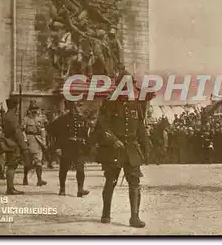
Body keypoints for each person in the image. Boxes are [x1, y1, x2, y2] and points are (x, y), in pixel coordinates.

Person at [94, 94, 149, 228]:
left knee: (135, 181)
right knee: (111, 180)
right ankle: (106, 213)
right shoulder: (109, 104)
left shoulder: (136, 106)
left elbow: (141, 128)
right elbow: (102, 126)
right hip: (114, 149)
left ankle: (134, 217)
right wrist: (112, 140)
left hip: (131, 149)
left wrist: (146, 149)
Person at [52, 102, 90, 197]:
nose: (77, 108)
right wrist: (58, 147)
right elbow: (57, 135)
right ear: (71, 107)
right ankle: (62, 189)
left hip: (78, 147)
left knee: (80, 169)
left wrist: (86, 146)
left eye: (78, 106)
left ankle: (80, 189)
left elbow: (86, 134)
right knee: (64, 169)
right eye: (75, 106)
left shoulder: (82, 119)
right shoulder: (63, 119)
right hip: (67, 147)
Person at [2, 98, 30, 195]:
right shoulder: (12, 117)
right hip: (14, 144)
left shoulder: (6, 115)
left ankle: (10, 187)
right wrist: (24, 147)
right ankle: (10, 188)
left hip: (8, 142)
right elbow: (17, 133)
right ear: (15, 106)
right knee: (12, 166)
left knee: (10, 165)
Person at [22, 101, 47, 186]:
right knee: (28, 162)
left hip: (38, 141)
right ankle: (25, 177)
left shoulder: (40, 119)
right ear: (30, 110)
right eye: (33, 109)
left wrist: (44, 142)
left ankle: (39, 180)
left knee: (38, 161)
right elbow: (22, 131)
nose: (35, 110)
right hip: (30, 140)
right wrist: (25, 141)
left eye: (36, 108)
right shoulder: (25, 119)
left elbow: (43, 131)